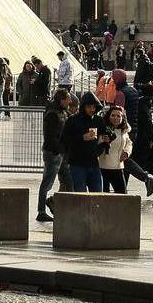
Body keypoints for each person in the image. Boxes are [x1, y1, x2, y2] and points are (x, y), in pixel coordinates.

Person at [36, 88, 72, 221]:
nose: (69, 101)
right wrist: (60, 149)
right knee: (47, 182)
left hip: (59, 152)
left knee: (68, 181)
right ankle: (41, 211)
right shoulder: (53, 114)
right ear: (62, 100)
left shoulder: (61, 112)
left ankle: (56, 205)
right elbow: (50, 136)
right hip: (53, 153)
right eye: (68, 99)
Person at [61, 94, 109, 192]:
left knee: (97, 195)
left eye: (94, 107)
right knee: (80, 195)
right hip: (77, 163)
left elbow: (107, 134)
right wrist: (82, 137)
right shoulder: (73, 120)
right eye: (89, 107)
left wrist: (106, 140)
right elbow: (64, 139)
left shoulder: (98, 120)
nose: (92, 109)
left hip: (94, 162)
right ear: (83, 107)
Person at [96, 105, 135, 193]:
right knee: (104, 195)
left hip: (118, 166)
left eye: (118, 116)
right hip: (103, 167)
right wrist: (103, 142)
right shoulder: (103, 129)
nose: (115, 118)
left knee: (122, 194)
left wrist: (126, 152)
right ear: (108, 116)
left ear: (122, 118)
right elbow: (97, 143)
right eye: (113, 115)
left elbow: (129, 143)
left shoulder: (124, 131)